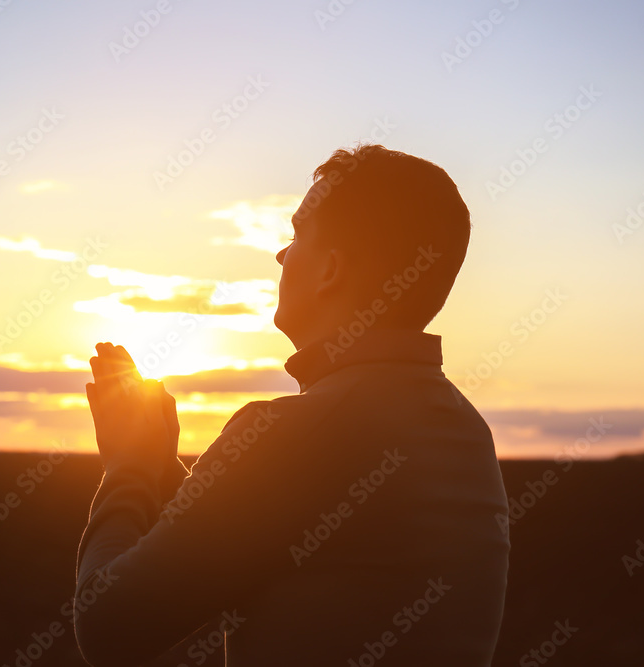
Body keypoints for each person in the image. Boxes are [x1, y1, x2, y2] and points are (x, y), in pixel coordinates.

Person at [73, 144, 510, 666]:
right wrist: (161, 464)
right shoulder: (463, 427)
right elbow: (263, 526)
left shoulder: (296, 431)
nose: (282, 255)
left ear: (329, 271)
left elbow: (110, 627)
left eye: (298, 234)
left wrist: (129, 465)